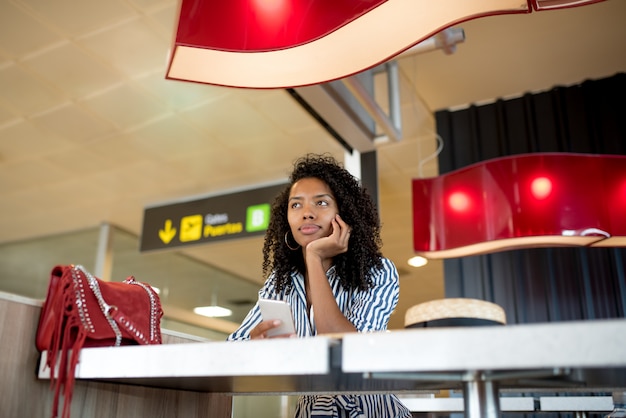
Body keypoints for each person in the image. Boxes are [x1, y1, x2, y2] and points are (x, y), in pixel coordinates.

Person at [228, 153, 411, 418]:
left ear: (344, 214)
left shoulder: (377, 272)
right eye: (296, 205)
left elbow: (345, 348)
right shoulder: (282, 281)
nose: (307, 214)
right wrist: (255, 343)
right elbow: (232, 348)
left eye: (321, 203)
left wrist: (314, 257)